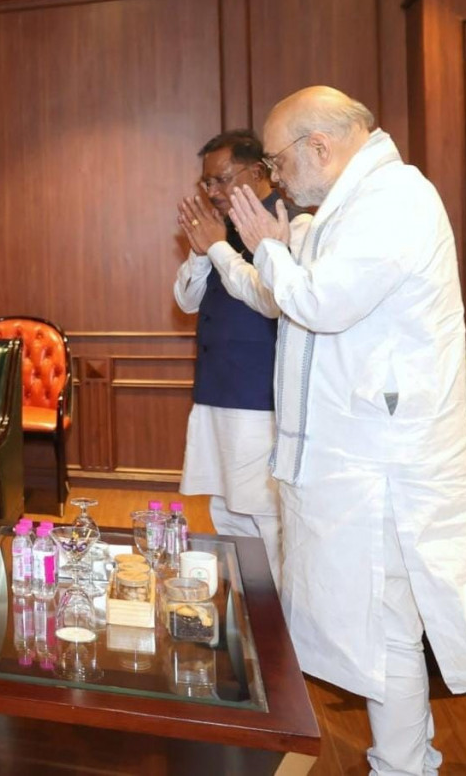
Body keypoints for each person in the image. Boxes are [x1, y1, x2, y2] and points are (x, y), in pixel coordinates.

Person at [228, 85, 466, 775]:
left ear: (319, 146)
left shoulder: (395, 201)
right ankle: (404, 760)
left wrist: (268, 247)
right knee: (381, 628)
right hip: (357, 461)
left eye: (276, 162)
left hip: (386, 466)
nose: (275, 178)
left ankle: (408, 762)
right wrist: (275, 251)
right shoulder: (349, 206)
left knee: (393, 625)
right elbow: (293, 301)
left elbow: (321, 302)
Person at [173, 129, 304, 588]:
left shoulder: (291, 224)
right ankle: (241, 605)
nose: (212, 191)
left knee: (265, 518)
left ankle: (273, 614)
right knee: (225, 509)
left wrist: (218, 247)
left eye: (222, 179)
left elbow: (271, 299)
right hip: (215, 394)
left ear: (258, 172)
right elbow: (187, 301)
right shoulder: (220, 231)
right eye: (206, 183)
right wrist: (201, 252)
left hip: (260, 400)